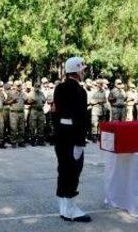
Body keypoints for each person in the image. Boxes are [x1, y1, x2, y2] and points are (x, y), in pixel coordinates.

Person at [53, 56, 91, 223]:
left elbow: (56, 113)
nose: (84, 73)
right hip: (73, 138)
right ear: (76, 70)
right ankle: (70, 210)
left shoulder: (59, 88)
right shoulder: (79, 91)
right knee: (73, 172)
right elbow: (81, 118)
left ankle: (63, 207)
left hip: (61, 136)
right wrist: (80, 142)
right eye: (82, 70)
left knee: (63, 170)